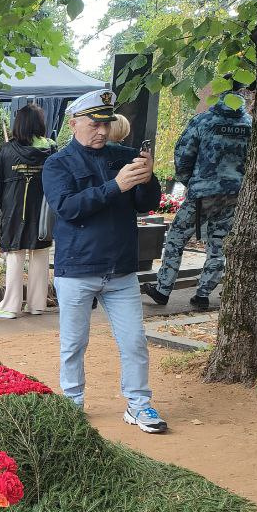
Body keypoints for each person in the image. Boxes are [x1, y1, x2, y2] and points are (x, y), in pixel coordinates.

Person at [42, 88, 167, 433]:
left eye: (106, 123)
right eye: (94, 124)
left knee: (134, 341)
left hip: (121, 269)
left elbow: (146, 203)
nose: (101, 130)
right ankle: (72, 402)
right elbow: (66, 207)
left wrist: (147, 176)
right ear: (73, 123)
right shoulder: (57, 163)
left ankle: (139, 404)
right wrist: (116, 185)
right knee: (74, 342)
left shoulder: (124, 156)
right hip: (77, 268)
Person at [142, 80, 253, 311]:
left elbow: (183, 154)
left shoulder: (203, 121)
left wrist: (190, 181)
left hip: (202, 193)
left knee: (175, 239)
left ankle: (163, 290)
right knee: (219, 244)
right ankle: (203, 293)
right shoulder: (250, 124)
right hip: (234, 193)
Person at [0, 104, 55, 320]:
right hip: (43, 213)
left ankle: (11, 306)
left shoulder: (6, 151)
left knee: (15, 257)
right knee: (41, 256)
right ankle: (37, 304)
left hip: (14, 211)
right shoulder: (51, 151)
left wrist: (5, 205)